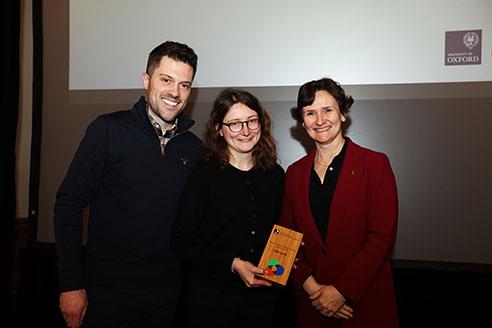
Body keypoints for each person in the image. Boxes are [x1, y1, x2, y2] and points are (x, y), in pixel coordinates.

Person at [53, 41, 202, 328]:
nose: (175, 92)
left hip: (166, 293)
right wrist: (70, 284)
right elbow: (69, 205)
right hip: (106, 292)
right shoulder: (107, 131)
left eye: (184, 84)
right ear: (146, 80)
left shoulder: (193, 149)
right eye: (166, 80)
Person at [280, 78, 398, 327]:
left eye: (328, 110)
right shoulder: (294, 173)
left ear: (343, 114)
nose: (319, 120)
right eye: (310, 113)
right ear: (302, 122)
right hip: (313, 306)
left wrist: (341, 291)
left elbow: (382, 237)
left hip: (362, 303)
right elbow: (285, 238)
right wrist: (313, 290)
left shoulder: (375, 165)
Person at [170, 88, 285, 328]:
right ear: (218, 129)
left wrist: (286, 255)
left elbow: (279, 231)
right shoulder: (204, 175)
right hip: (211, 299)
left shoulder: (274, 175)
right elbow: (181, 240)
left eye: (252, 121)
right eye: (234, 123)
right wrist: (233, 263)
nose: (245, 131)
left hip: (262, 299)